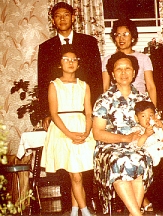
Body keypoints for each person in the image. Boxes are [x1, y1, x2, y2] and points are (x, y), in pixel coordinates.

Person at [37, 2, 102, 208]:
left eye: (66, 15)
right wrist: (46, 113)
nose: (62, 19)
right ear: (53, 20)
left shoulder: (89, 42)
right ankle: (70, 206)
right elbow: (42, 81)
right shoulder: (46, 47)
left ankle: (89, 202)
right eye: (58, 16)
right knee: (66, 160)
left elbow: (96, 80)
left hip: (84, 110)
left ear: (74, 17)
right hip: (61, 111)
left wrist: (96, 114)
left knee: (85, 159)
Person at [92, 52, 153, 216]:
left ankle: (133, 213)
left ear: (134, 73)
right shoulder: (104, 99)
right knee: (120, 160)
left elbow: (151, 124)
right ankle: (137, 214)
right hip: (108, 148)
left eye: (128, 69)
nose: (124, 73)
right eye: (119, 69)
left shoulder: (142, 99)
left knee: (142, 158)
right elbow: (98, 133)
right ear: (112, 74)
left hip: (136, 146)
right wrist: (125, 138)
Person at [40, 45, 96, 216]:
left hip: (81, 128)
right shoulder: (54, 85)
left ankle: (73, 211)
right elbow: (54, 114)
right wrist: (69, 134)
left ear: (78, 64)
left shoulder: (84, 85)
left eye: (74, 60)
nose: (70, 62)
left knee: (76, 171)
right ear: (60, 64)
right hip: (62, 130)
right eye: (66, 59)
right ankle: (85, 211)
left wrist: (86, 132)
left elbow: (88, 112)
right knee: (75, 175)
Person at [128, 100, 163, 213]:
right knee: (158, 188)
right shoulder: (137, 130)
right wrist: (145, 135)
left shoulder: (160, 124)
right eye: (143, 116)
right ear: (136, 118)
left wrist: (162, 125)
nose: (148, 118)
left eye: (151, 115)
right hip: (154, 163)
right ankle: (160, 210)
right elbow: (136, 146)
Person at [102, 18, 157, 106]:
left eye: (125, 34)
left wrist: (153, 110)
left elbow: (151, 87)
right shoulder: (108, 59)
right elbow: (105, 87)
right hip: (117, 104)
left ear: (133, 37)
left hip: (140, 104)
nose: (121, 38)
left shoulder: (143, 58)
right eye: (118, 35)